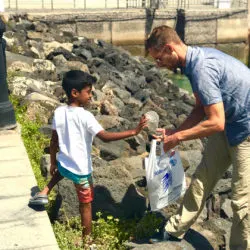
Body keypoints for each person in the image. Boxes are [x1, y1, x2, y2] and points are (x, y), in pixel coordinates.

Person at [145, 25, 250, 249]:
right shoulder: (192, 63)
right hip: (231, 124)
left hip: (246, 130)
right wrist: (175, 132)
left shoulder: (201, 68)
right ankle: (174, 230)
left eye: (159, 59)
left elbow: (216, 121)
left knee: (241, 200)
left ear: (169, 49)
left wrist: (179, 138)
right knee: (202, 179)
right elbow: (201, 109)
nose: (158, 64)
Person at [29, 70, 147, 240]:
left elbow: (54, 141)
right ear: (75, 93)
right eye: (89, 92)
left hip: (64, 161)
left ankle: (44, 191)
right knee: (86, 205)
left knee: (61, 170)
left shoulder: (59, 112)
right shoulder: (86, 117)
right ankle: (87, 240)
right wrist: (134, 131)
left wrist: (53, 162)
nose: (91, 96)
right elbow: (105, 137)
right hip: (81, 170)